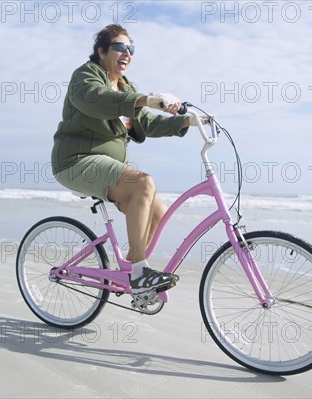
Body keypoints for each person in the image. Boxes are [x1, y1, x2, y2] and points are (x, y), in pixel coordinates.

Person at [51, 24, 201, 294]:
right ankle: (140, 272)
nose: (127, 53)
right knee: (144, 182)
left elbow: (148, 122)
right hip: (76, 161)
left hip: (109, 168)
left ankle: (133, 270)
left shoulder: (125, 87)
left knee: (159, 212)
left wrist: (186, 121)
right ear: (102, 51)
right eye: (120, 47)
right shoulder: (85, 76)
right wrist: (147, 98)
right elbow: (96, 100)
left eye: (131, 49)